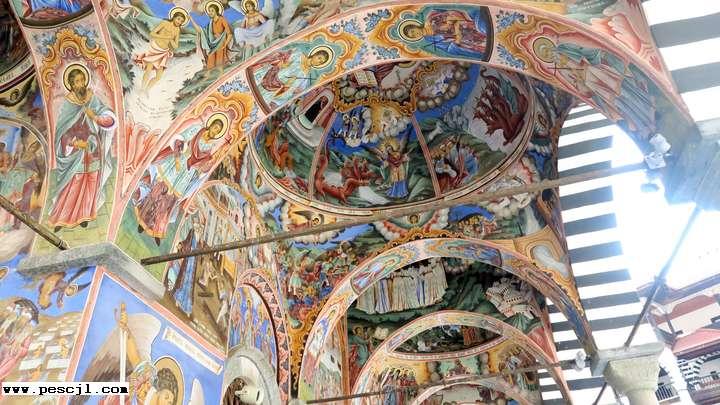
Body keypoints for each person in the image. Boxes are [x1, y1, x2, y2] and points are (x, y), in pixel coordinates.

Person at [48, 65, 116, 232]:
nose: (81, 84)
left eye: (82, 80)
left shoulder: (92, 99)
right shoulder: (68, 104)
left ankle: (85, 215)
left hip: (93, 149)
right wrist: (74, 143)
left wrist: (97, 118)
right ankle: (61, 219)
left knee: (91, 184)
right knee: (73, 186)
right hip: (77, 151)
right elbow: (62, 132)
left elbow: (109, 118)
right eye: (77, 81)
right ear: (71, 85)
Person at [134, 8, 187, 92]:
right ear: (174, 17)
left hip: (163, 52)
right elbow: (152, 33)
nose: (179, 22)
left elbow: (175, 46)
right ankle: (142, 89)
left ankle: (147, 90)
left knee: (158, 76)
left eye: (181, 21)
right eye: (178, 19)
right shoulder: (165, 23)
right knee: (148, 70)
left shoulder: (177, 30)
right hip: (155, 49)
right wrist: (165, 37)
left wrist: (171, 40)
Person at [191, 1, 232, 73]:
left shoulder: (222, 19)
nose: (210, 13)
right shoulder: (211, 23)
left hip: (221, 42)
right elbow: (203, 32)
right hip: (213, 44)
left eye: (212, 11)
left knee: (219, 58)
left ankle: (221, 71)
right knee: (210, 57)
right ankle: (209, 74)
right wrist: (191, 19)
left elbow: (229, 34)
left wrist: (225, 44)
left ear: (216, 11)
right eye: (209, 11)